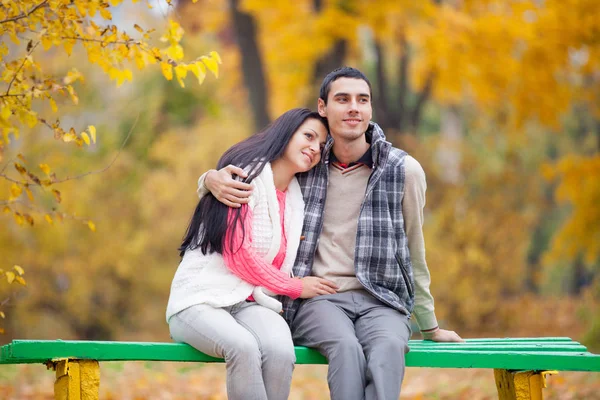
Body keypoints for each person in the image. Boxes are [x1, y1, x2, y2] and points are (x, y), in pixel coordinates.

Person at [200, 67, 464, 400]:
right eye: (343, 99)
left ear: (370, 109)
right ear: (323, 108)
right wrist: (209, 179)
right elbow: (253, 175)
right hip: (319, 298)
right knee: (345, 348)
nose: (354, 107)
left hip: (382, 299)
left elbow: (414, 250)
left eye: (362, 100)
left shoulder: (403, 170)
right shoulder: (307, 162)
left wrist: (429, 325)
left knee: (387, 349)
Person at [166, 108, 339, 400]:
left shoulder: (297, 197)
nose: (314, 148)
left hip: (251, 304)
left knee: (281, 351)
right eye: (308, 136)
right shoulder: (244, 176)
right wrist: (297, 286)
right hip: (200, 300)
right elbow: (237, 254)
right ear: (286, 133)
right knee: (243, 348)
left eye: (321, 146)